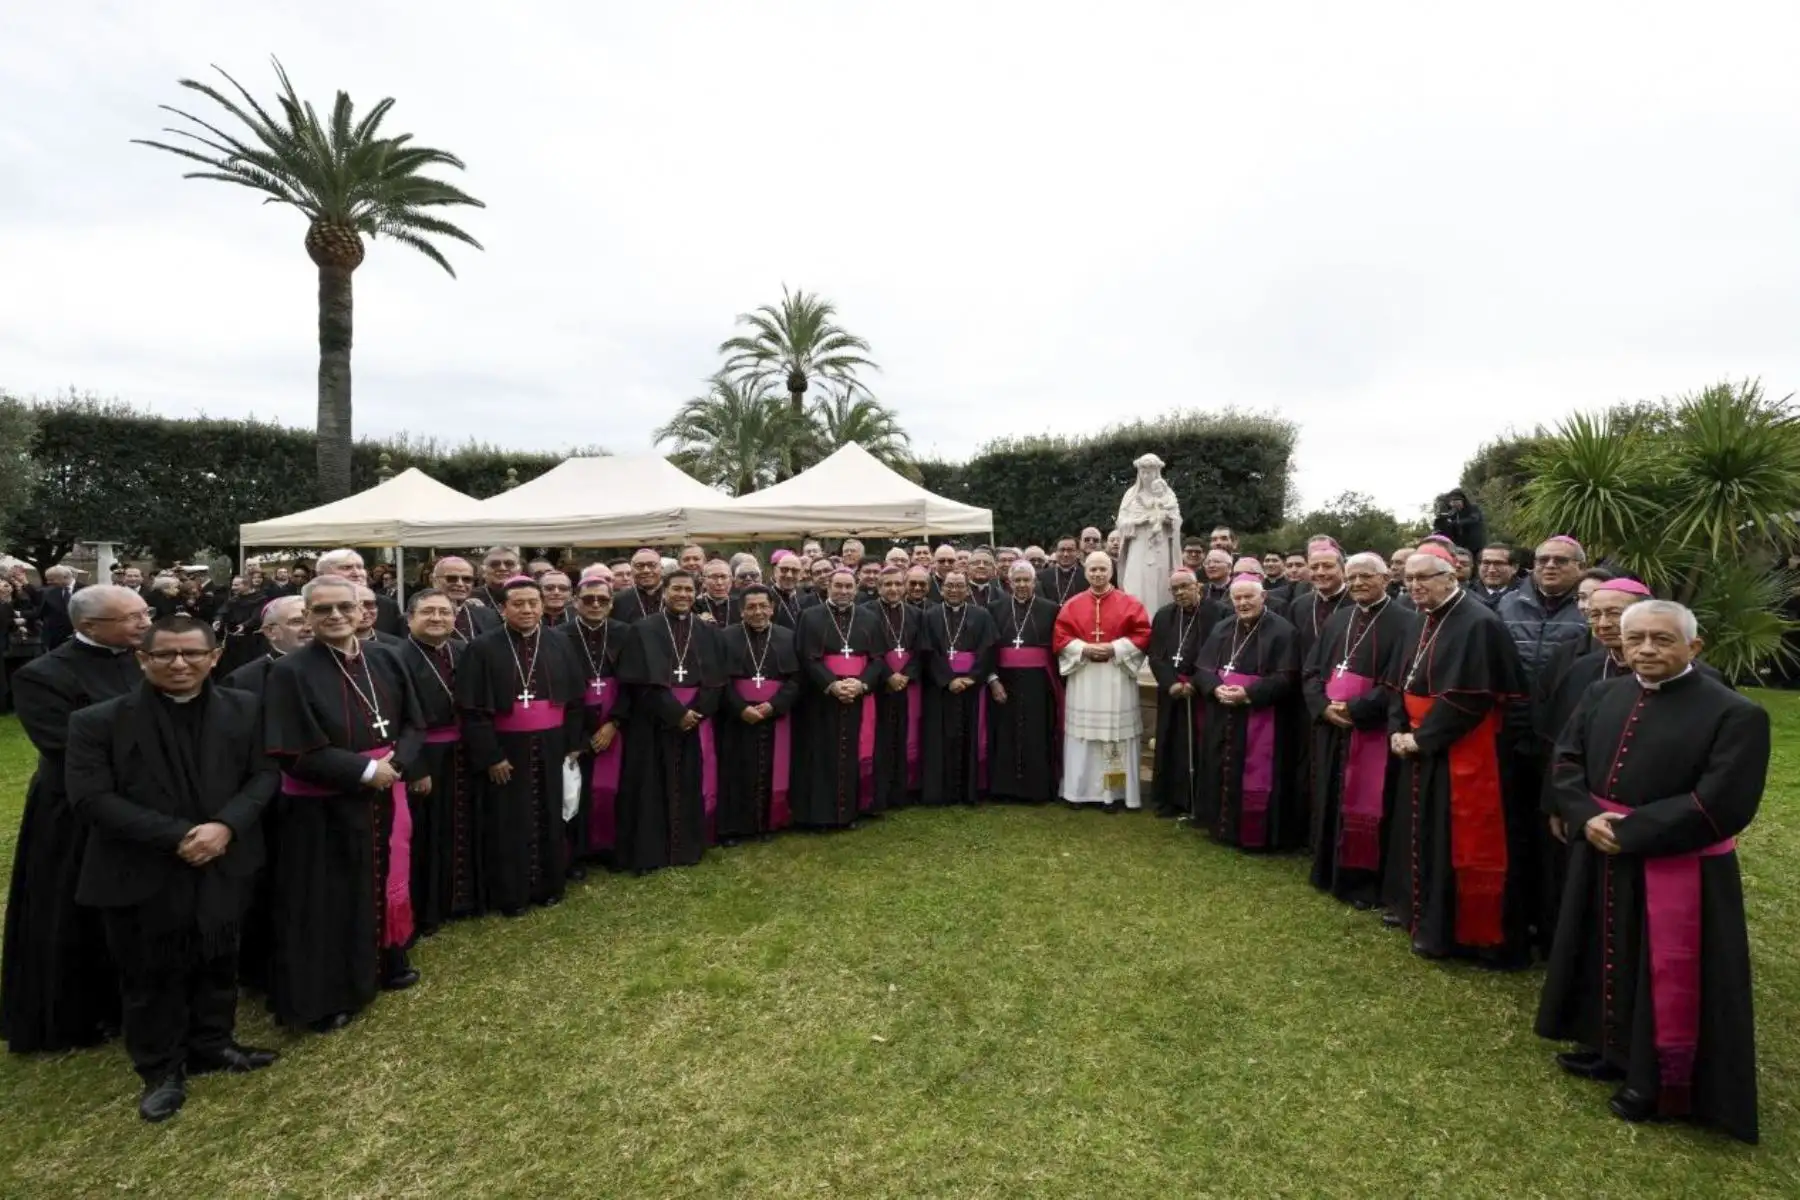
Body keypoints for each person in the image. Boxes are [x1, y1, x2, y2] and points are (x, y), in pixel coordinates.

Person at [1535, 600, 1765, 1141]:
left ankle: (1658, 1078)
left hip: (1676, 864)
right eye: (1636, 638)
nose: (1645, 649)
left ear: (1694, 646)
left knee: (1661, 969)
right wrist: (1587, 816)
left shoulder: (1734, 713)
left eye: (1662, 640)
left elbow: (1722, 802)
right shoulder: (1603, 692)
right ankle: (1607, 1048)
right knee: (1603, 947)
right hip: (1601, 845)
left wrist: (1629, 832)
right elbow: (1566, 760)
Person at [65, 616, 277, 1121]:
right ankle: (161, 1068)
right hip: (142, 867)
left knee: (219, 958)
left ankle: (213, 1044)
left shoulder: (245, 708)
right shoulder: (97, 721)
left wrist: (225, 826)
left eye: (192, 654)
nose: (180, 664)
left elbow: (265, 774)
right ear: (143, 659)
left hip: (225, 857)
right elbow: (91, 799)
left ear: (214, 657)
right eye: (166, 655)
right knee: (148, 975)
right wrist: (179, 837)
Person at [262, 577, 425, 1033]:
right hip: (323, 807)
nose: (335, 616)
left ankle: (387, 959)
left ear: (362, 610)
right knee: (329, 897)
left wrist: (398, 763)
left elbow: (414, 722)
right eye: (322, 609)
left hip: (386, 788)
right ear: (309, 617)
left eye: (344, 607)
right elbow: (292, 749)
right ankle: (329, 993)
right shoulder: (290, 671)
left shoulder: (387, 656)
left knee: (384, 877)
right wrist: (368, 772)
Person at [2, 585, 149, 1054]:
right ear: (89, 627)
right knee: (74, 912)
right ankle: (80, 1012)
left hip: (150, 801)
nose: (146, 623)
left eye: (145, 613)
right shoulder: (43, 676)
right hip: (78, 811)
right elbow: (67, 749)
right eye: (132, 618)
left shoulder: (146, 657)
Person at [1383, 547, 1530, 966]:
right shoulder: (1419, 619)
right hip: (1418, 738)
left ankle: (1448, 929)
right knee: (1418, 829)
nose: (1414, 586)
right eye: (1409, 579)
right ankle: (1416, 910)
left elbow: (1471, 697)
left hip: (1462, 748)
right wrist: (1397, 728)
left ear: (1451, 577)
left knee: (1450, 836)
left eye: (1424, 577)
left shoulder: (1478, 622)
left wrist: (1422, 739)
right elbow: (1400, 681)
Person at [456, 577, 586, 914]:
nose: (527, 609)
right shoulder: (482, 648)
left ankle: (549, 885)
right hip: (506, 748)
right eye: (518, 604)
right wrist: (491, 756)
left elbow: (575, 699)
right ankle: (510, 893)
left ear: (542, 606)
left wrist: (573, 744)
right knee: (507, 820)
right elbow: (471, 709)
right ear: (502, 609)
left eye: (533, 603)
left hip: (552, 744)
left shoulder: (560, 642)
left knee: (550, 812)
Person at [1305, 553, 1412, 906]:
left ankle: (1362, 882)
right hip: (1332, 727)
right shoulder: (1339, 619)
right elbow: (1312, 671)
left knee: (1366, 803)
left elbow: (1400, 681)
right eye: (1352, 579)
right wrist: (1322, 706)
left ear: (1386, 579)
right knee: (1330, 795)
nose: (1358, 584)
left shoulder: (1406, 622)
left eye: (1366, 576)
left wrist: (1357, 709)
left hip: (1373, 731)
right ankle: (1326, 870)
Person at [615, 571, 725, 870]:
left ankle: (688, 846)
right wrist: (676, 714)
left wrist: (696, 712)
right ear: (664, 592)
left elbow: (716, 680)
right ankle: (653, 850)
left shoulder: (708, 632)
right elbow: (639, 682)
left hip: (694, 720)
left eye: (689, 590)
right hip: (654, 721)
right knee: (650, 784)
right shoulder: (643, 629)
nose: (683, 595)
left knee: (690, 781)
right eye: (676, 589)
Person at [1194, 575, 1304, 850]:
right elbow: (1203, 669)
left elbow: (1288, 676)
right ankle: (1221, 827)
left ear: (1263, 597)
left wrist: (1249, 694)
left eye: (1248, 597)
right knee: (1221, 766)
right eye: (1237, 598)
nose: (1242, 603)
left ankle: (1254, 834)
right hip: (1223, 712)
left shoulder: (1283, 631)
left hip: (1261, 715)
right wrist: (1216, 689)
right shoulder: (1222, 628)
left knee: (1255, 772)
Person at [398, 589, 479, 933]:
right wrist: (415, 768)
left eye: (444, 612)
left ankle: (462, 899)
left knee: (464, 824)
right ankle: (428, 910)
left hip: (464, 752)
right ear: (410, 617)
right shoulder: (395, 657)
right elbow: (400, 718)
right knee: (427, 833)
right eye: (428, 612)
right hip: (425, 756)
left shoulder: (464, 651)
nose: (437, 618)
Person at [1054, 553, 1153, 811]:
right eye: (1093, 569)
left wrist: (1115, 648)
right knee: (1083, 736)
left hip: (1116, 675)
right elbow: (1061, 636)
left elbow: (1143, 633)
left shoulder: (1129, 603)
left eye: (1102, 569)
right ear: (1085, 572)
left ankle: (1114, 793)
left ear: (1111, 571)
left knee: (1115, 737)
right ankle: (1078, 792)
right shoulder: (1072, 604)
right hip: (1085, 675)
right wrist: (1083, 649)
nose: (1097, 574)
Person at [793, 569, 885, 826]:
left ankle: (852, 811)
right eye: (838, 586)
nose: (843, 591)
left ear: (855, 589)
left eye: (848, 587)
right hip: (822, 699)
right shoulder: (810, 617)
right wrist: (832, 685)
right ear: (828, 587)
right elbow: (807, 658)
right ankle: (821, 814)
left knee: (855, 753)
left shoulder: (869, 617)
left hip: (858, 696)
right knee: (822, 754)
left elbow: (878, 659)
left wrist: (862, 684)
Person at [716, 586, 801, 843]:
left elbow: (797, 678)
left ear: (772, 608)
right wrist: (740, 708)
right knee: (735, 771)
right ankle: (735, 827)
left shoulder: (788, 637)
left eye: (763, 606)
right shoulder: (725, 637)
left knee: (772, 768)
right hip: (737, 717)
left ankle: (768, 823)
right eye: (751, 607)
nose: (758, 612)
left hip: (774, 715)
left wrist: (774, 705)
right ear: (741, 611)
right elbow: (718, 679)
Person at [561, 578, 630, 868]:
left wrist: (614, 722)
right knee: (577, 788)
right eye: (588, 599)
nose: (595, 604)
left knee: (613, 787)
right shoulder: (559, 636)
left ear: (611, 603)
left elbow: (633, 683)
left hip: (615, 719)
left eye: (602, 599)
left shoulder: (625, 634)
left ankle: (610, 847)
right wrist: (575, 738)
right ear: (576, 601)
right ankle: (576, 853)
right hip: (574, 721)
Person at [1146, 568, 1226, 818]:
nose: (1180, 592)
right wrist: (1170, 683)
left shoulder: (1219, 613)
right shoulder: (1164, 615)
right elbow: (1156, 655)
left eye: (1185, 586)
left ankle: (1197, 800)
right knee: (1170, 742)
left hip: (1201, 691)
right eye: (1175, 589)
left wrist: (1196, 682)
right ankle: (1169, 799)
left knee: (1200, 744)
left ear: (1197, 587)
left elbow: (1219, 653)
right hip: (1172, 691)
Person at [985, 562, 1064, 804]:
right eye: (1016, 580)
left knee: (1036, 733)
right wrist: (993, 680)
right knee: (1005, 733)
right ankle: (1005, 788)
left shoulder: (1051, 609)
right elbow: (987, 649)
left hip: (1038, 683)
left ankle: (1036, 789)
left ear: (1034, 582)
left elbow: (1057, 647)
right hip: (1005, 680)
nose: (1021, 585)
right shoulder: (994, 608)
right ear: (1008, 583)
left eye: (1026, 580)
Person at [921, 571, 997, 805]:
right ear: (942, 589)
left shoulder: (982, 615)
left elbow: (989, 648)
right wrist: (948, 679)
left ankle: (969, 791)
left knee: (970, 736)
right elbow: (926, 651)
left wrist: (972, 677)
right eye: (949, 586)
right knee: (939, 738)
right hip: (941, 687)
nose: (954, 590)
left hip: (971, 687)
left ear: (967, 589)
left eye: (959, 586)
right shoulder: (929, 615)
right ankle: (940, 793)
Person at [868, 566, 927, 812]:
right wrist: (889, 676)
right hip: (880, 687)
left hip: (908, 685)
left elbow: (921, 650)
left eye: (897, 584)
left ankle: (903, 791)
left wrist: (906, 675)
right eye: (887, 584)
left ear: (904, 586)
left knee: (906, 737)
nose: (893, 589)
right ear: (879, 587)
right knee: (880, 740)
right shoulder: (866, 613)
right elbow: (869, 652)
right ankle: (879, 792)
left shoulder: (916, 614)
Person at [1115, 453, 1183, 614]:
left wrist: (1166, 518)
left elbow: (1176, 520)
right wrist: (1139, 521)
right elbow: (1121, 523)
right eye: (1143, 472)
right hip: (1138, 548)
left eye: (1150, 472)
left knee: (1161, 587)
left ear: (1156, 472)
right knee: (1136, 586)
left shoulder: (1167, 494)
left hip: (1161, 548)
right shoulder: (1131, 495)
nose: (1146, 476)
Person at [222, 596, 311, 695]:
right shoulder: (243, 682)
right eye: (297, 622)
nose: (309, 628)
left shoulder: (330, 664)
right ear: (270, 632)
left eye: (312, 620)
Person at [1286, 538, 1352, 669]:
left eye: (1328, 566)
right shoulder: (1299, 605)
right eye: (1314, 567)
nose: (1320, 572)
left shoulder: (1356, 602)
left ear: (1343, 569)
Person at [315, 549, 404, 635]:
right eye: (347, 568)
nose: (357, 573)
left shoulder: (387, 606)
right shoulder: (310, 605)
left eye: (360, 567)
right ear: (323, 574)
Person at [431, 555, 500, 643]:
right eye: (451, 578)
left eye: (467, 579)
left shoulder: (489, 616)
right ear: (434, 581)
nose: (460, 584)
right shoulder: (419, 616)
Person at [1433, 488, 1488, 558]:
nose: (1454, 505)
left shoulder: (1473, 508)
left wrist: (1455, 523)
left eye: (1456, 502)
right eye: (1452, 503)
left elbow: (1473, 519)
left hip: (1475, 544)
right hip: (1460, 545)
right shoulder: (1453, 513)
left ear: (1463, 501)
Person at [769, 552, 818, 630]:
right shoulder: (766, 597)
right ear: (775, 572)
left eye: (795, 571)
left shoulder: (805, 596)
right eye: (784, 570)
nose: (789, 575)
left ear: (801, 575)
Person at [36, 565, 77, 651]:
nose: (48, 582)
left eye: (52, 579)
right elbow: (42, 613)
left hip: (78, 638)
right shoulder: (49, 592)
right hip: (56, 641)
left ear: (65, 577)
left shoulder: (86, 590)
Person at [1037, 536, 1085, 607]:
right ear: (1056, 552)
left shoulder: (1086, 576)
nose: (1065, 554)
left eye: (1070, 550)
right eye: (1062, 550)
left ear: (1077, 553)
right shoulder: (1042, 576)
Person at [696, 560, 737, 625]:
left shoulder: (741, 605)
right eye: (713, 577)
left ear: (731, 581)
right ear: (703, 582)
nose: (719, 583)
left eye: (724, 577)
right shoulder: (693, 606)